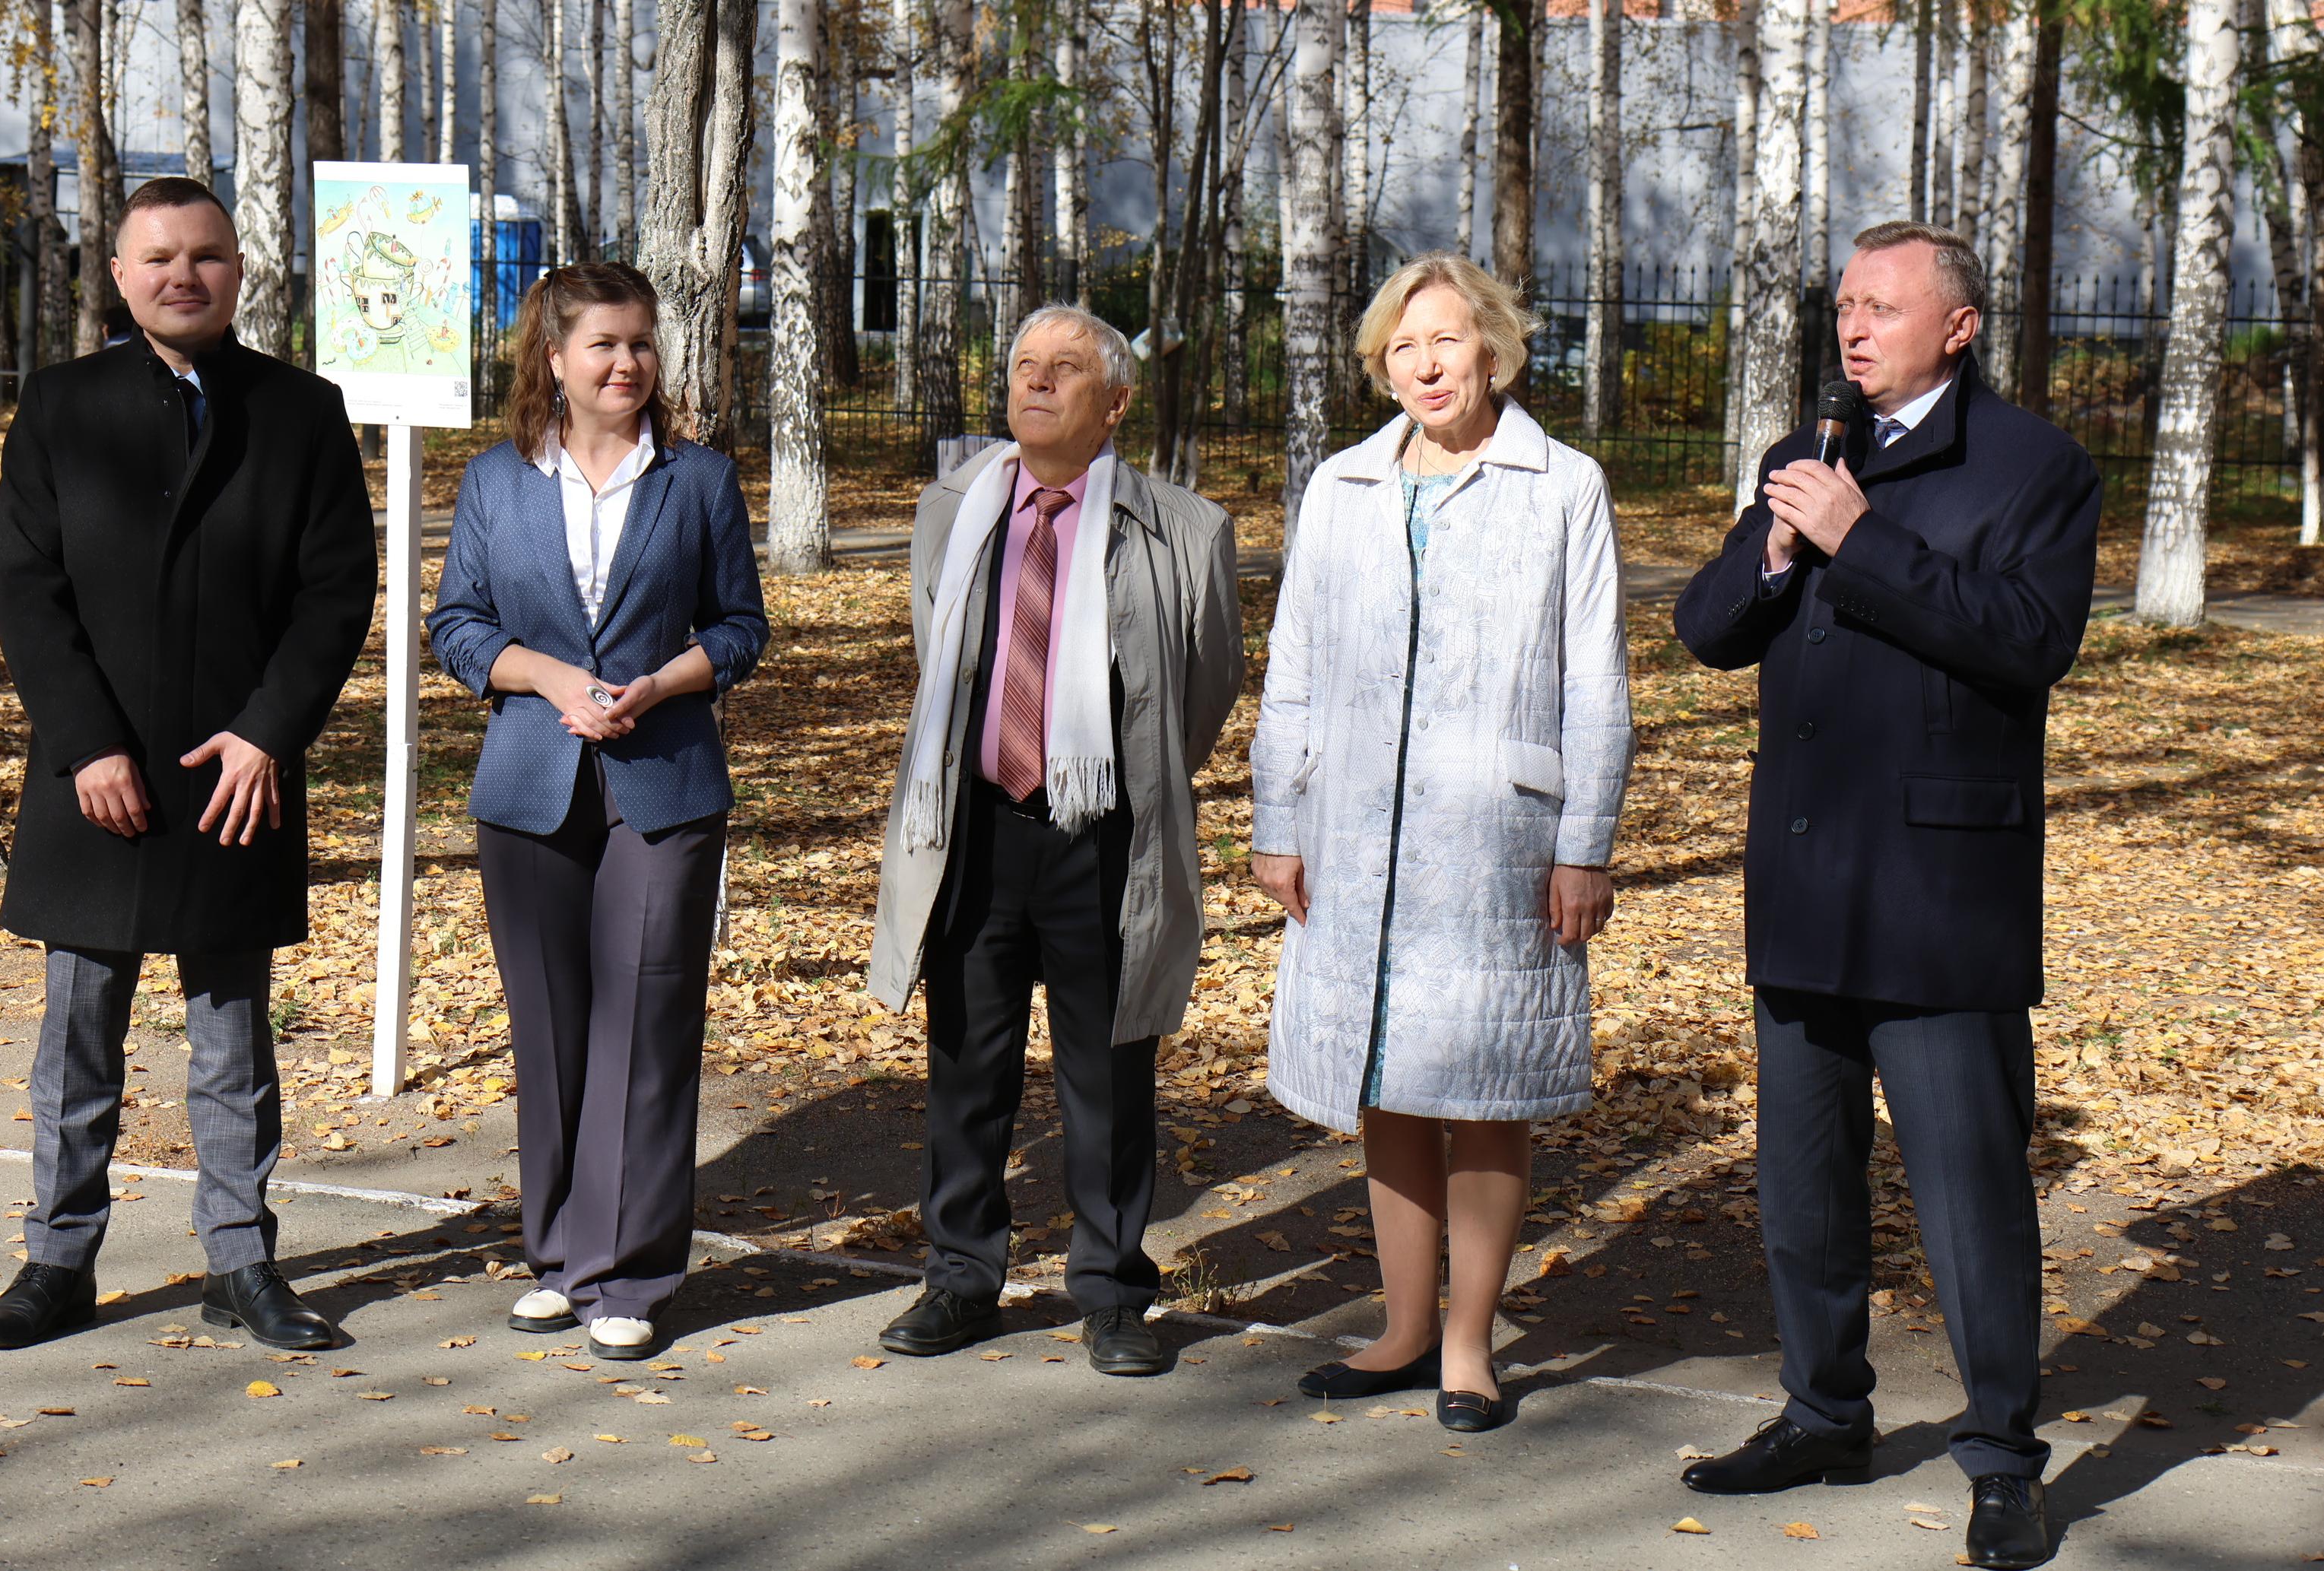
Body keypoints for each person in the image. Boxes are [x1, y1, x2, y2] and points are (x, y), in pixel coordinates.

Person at [1672, 222, 2100, 1571]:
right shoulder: (1808, 450)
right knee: (1802, 1186)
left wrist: (1860, 543)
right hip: (1805, 876)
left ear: (1956, 326)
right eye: (1843, 305)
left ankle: (2001, 1459)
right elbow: (1702, 630)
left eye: (1881, 307)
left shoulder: (2037, 467)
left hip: (1938, 892)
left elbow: (2030, 643)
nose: (1851, 329)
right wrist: (1782, 552)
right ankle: (1822, 1411)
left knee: (1969, 1195)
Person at [0, 177, 377, 1351]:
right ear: (117, 272)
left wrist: (269, 731)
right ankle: (58, 1258)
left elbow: (335, 590)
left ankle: (240, 1258)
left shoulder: (302, 411)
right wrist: (86, 742)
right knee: (80, 1032)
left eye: (204, 255)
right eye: (157, 258)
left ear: (238, 270)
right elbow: (27, 590)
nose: (181, 275)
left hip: (234, 771)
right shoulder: (60, 404)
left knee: (231, 1033)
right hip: (94, 778)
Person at [1249, 253, 1633, 1433]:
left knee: (1484, 1086)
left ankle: (1469, 1341)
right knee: (1388, 1079)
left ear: (1494, 351)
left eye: (1446, 341)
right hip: (1352, 831)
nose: (1423, 363)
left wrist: (1584, 844)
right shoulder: (1342, 486)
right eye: (1401, 346)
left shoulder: (1561, 485)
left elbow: (1595, 683)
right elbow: (1296, 667)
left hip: (1497, 841)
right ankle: (1403, 1327)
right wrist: (1277, 818)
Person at [867, 304, 1245, 1376]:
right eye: (1023, 365)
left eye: (1065, 369)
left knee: (1109, 1074)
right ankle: (958, 1277)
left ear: (1114, 403)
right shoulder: (952, 510)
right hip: (976, 830)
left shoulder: (1185, 528)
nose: (1034, 383)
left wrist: (1116, 770)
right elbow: (936, 646)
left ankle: (1113, 1290)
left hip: (1104, 838)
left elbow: (1205, 687)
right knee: (965, 1065)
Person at [427, 262, 768, 1361]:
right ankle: (559, 1251)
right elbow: (457, 627)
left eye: (642, 345)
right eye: (605, 345)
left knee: (646, 1024)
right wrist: (543, 673)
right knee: (554, 1030)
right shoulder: (494, 481)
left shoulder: (701, 481)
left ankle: (626, 1272)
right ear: (554, 359)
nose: (628, 364)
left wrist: (664, 683)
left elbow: (740, 629)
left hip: (664, 782)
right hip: (529, 785)